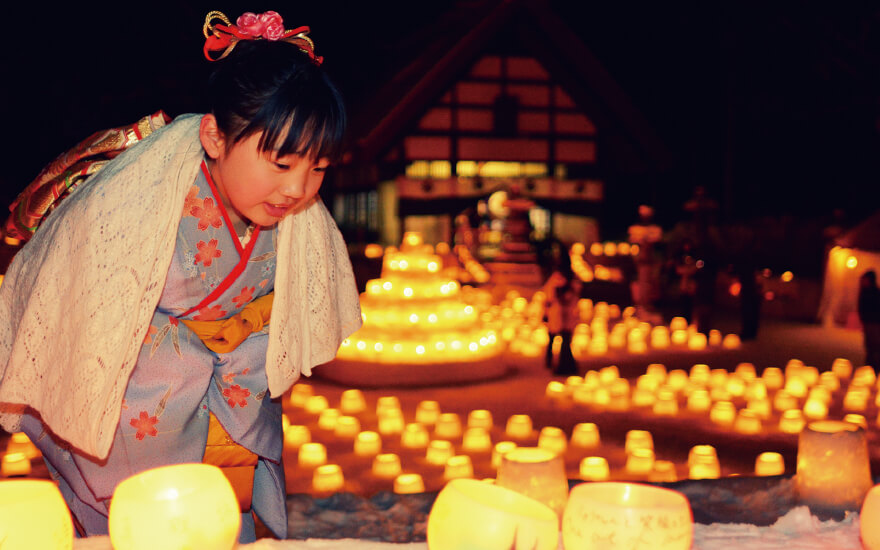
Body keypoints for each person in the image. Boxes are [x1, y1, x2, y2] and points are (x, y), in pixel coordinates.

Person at [0, 10, 362, 542]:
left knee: (218, 512)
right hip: (137, 393)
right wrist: (197, 349)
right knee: (144, 520)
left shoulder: (289, 214)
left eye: (319, 168)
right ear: (216, 137)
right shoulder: (134, 198)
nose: (299, 189)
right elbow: (73, 302)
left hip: (233, 387)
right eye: (281, 164)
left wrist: (252, 334)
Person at [542, 250, 582, 376]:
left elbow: (574, 297)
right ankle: (554, 363)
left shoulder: (571, 282)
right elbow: (548, 298)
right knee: (557, 340)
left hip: (566, 316)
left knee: (564, 342)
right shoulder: (555, 281)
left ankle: (564, 366)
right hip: (557, 315)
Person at [858, 270, 880, 370]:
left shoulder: (875, 293)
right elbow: (861, 307)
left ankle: (874, 366)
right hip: (868, 323)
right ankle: (870, 365)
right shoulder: (864, 292)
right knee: (869, 346)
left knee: (875, 346)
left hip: (875, 323)